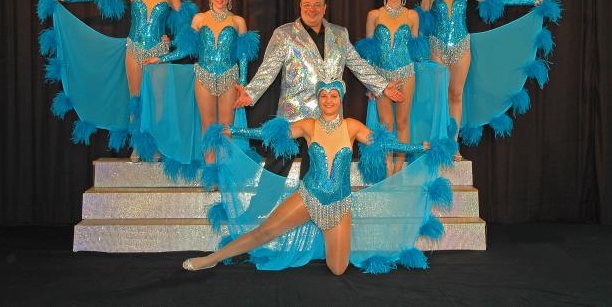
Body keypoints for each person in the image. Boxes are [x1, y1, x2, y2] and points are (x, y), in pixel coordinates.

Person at [183, 79, 447, 275]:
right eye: (323, 96)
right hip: (308, 198)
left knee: (338, 269)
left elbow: (384, 143)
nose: (329, 100)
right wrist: (237, 131)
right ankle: (211, 258)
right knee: (264, 231)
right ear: (318, 100)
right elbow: (272, 133)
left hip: (340, 204)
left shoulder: (352, 126)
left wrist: (418, 148)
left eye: (334, 95)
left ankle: (325, 244)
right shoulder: (310, 125)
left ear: (341, 98)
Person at [37, 0, 196, 158]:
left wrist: (172, 42)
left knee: (157, 102)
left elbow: (190, 30)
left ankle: (156, 145)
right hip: (134, 50)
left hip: (158, 52)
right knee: (136, 98)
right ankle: (138, 145)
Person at [419, 0, 560, 156]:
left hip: (461, 47)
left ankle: (453, 146)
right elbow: (420, 23)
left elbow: (498, 1)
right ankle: (436, 143)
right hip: (436, 47)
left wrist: (530, 1)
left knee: (455, 95)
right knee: (438, 97)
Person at [234, 0, 404, 178]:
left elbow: (358, 64)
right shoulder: (284, 34)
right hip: (292, 116)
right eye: (307, 4)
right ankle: (264, 200)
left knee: (315, 178)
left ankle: (308, 199)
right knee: (273, 175)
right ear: (300, 7)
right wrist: (250, 93)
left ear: (325, 8)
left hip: (326, 118)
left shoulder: (340, 34)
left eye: (317, 5)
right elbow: (268, 68)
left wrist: (382, 85)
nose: (311, 9)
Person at [144, 0, 259, 164]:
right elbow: (187, 49)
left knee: (225, 127)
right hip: (203, 75)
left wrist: (242, 83)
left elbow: (243, 56)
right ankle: (210, 169)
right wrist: (161, 58)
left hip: (229, 77)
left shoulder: (238, 22)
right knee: (207, 125)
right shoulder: (199, 19)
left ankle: (224, 171)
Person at [356, 0, 431, 176]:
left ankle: (400, 165)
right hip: (381, 76)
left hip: (406, 74)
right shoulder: (374, 15)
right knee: (386, 123)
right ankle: (388, 166)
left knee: (402, 120)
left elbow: (417, 49)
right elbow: (368, 54)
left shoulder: (412, 16)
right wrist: (371, 84)